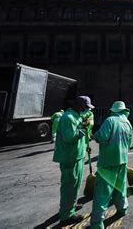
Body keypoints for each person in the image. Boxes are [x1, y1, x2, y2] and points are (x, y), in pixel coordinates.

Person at [52, 96, 94, 226]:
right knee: (69, 186)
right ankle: (66, 216)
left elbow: (81, 132)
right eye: (86, 107)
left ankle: (71, 206)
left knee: (75, 184)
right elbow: (70, 137)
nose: (87, 110)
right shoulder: (68, 118)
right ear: (79, 106)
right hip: (70, 158)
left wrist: (86, 143)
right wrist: (82, 128)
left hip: (77, 155)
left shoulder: (76, 116)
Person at [90, 101, 133, 229]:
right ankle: (123, 209)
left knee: (103, 193)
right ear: (124, 110)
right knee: (120, 187)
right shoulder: (127, 123)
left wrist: (93, 135)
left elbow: (101, 137)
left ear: (113, 110)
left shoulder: (110, 121)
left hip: (108, 161)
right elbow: (129, 142)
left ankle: (97, 223)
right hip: (122, 160)